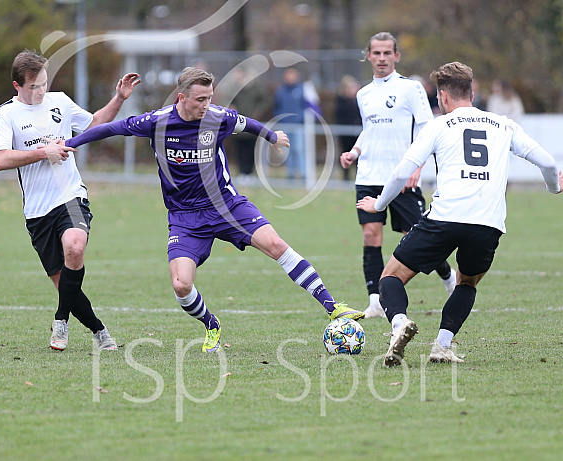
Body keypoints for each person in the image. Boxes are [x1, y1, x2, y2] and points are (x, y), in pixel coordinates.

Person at [65, 67, 363, 353]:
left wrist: (272, 137)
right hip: (185, 218)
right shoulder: (157, 122)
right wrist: (70, 143)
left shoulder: (218, 117)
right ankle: (211, 324)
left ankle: (332, 307)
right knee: (181, 284)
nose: (208, 105)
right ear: (181, 98)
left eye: (210, 97)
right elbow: (110, 129)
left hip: (227, 206)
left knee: (276, 244)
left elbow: (249, 123)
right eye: (200, 99)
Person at [357, 61, 563, 366]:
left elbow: (403, 171)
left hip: (444, 218)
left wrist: (378, 204)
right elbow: (548, 163)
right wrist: (553, 188)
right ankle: (442, 346)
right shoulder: (504, 124)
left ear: (442, 97)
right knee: (466, 283)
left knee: (391, 277)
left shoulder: (439, 125)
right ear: (470, 92)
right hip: (488, 224)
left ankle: (400, 324)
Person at [0, 50, 140, 351]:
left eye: (44, 83)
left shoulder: (59, 101)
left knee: (75, 246)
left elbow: (94, 123)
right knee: (66, 288)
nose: (41, 91)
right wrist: (44, 152)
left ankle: (60, 320)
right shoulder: (5, 114)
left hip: (70, 194)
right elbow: (0, 159)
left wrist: (119, 98)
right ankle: (99, 331)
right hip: (37, 211)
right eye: (34, 86)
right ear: (17, 86)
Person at [339, 32, 456, 319]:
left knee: (416, 238)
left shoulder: (410, 88)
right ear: (368, 56)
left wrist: (417, 167)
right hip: (368, 176)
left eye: (387, 53)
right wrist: (354, 152)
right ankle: (376, 301)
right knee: (370, 235)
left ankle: (446, 275)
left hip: (401, 177)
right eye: (376, 53)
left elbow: (426, 128)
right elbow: (369, 130)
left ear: (396, 56)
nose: (381, 59)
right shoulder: (363, 94)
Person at [227, 67, 269, 183]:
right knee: (239, 148)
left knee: (250, 149)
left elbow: (264, 101)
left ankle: (249, 172)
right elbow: (229, 100)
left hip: (251, 124)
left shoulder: (256, 89)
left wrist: (258, 112)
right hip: (238, 125)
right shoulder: (235, 90)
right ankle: (241, 172)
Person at [273, 67, 306, 180]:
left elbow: (306, 106)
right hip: (285, 125)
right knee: (288, 151)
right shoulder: (281, 91)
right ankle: (291, 174)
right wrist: (281, 118)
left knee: (299, 149)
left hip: (298, 125)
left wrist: (300, 118)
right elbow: (277, 106)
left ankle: (302, 174)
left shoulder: (301, 89)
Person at [334, 75, 362, 181]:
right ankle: (346, 177)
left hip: (358, 134)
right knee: (346, 154)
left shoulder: (360, 102)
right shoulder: (342, 103)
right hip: (346, 135)